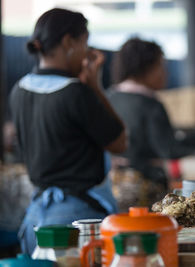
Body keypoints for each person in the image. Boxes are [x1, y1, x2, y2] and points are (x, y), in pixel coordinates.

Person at [9, 8, 126, 254]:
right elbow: (119, 142)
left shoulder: (19, 90)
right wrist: (95, 86)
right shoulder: (76, 92)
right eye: (84, 43)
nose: (86, 53)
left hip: (36, 218)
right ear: (68, 42)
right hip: (75, 222)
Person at [108, 38, 195, 204]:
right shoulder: (150, 105)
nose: (165, 73)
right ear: (145, 68)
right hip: (144, 191)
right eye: (161, 66)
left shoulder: (110, 97)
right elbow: (170, 148)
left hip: (113, 188)